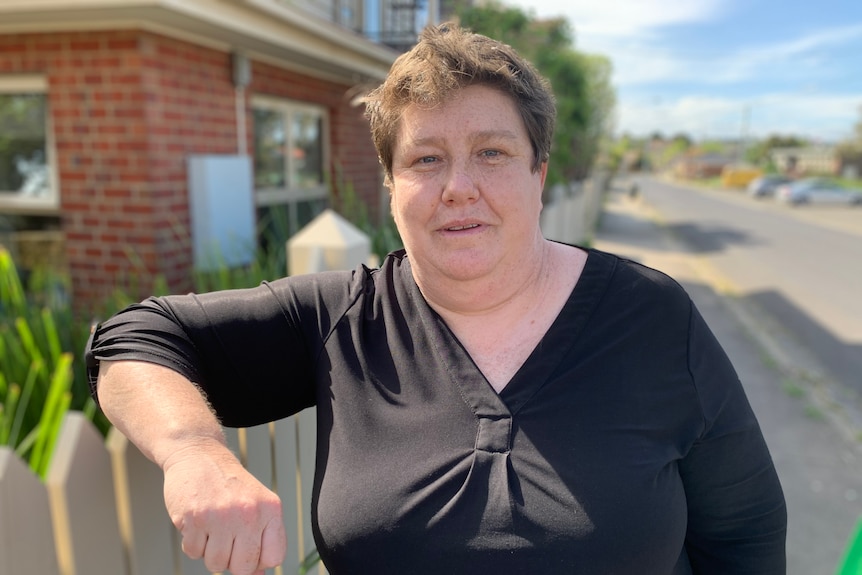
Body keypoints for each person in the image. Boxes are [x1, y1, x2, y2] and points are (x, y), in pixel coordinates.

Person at [85, 23, 787, 575]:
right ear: (391, 190)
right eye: (426, 159)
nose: (458, 187)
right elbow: (132, 337)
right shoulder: (339, 321)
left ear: (538, 173)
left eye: (491, 152)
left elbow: (746, 533)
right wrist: (193, 452)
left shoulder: (652, 320)